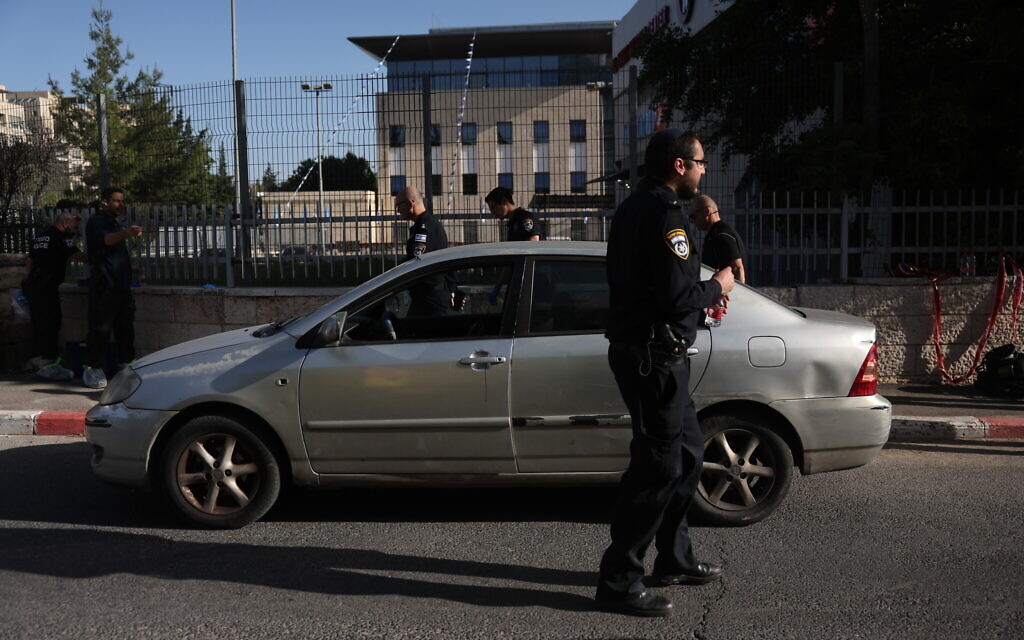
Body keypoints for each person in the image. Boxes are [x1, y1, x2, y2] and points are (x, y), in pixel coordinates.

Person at [596, 129, 735, 617]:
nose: (703, 170)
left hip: (657, 354)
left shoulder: (638, 206)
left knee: (689, 454)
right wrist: (716, 286)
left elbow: (658, 287)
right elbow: (678, 295)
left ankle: (674, 557)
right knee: (658, 466)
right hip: (652, 359)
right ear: (679, 165)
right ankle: (619, 579)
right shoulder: (664, 214)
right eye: (700, 162)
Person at [83, 187, 142, 390]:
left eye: (122, 201)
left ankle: (127, 364)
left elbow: (113, 254)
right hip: (104, 286)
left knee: (125, 328)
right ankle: (93, 367)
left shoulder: (114, 222)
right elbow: (106, 241)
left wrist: (130, 267)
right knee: (100, 328)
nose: (120, 204)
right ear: (105, 202)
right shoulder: (97, 221)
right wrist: (126, 233)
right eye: (116, 201)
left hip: (120, 285)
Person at [21, 212, 86, 380]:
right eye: (74, 227)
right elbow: (79, 255)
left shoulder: (41, 236)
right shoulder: (64, 238)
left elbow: (30, 260)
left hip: (34, 286)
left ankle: (41, 360)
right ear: (64, 223)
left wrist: (28, 282)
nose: (75, 230)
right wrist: (102, 260)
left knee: (40, 323)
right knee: (52, 322)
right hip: (47, 287)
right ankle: (49, 365)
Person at [395, 185, 461, 316]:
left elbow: (415, 262)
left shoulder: (424, 229)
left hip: (429, 303)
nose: (397, 211)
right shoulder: (430, 224)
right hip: (429, 299)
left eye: (398, 206)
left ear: (410, 204)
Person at [690, 195, 747, 283]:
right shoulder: (716, 233)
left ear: (707, 211)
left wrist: (737, 296)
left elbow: (737, 268)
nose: (693, 221)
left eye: (694, 216)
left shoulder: (720, 234)